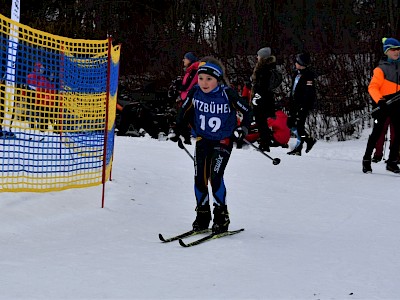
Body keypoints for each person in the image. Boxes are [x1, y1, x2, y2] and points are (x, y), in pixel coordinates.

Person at [170, 57, 252, 234]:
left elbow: (247, 111)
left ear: (218, 80)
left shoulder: (227, 93)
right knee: (199, 178)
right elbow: (183, 112)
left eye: (209, 79)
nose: (204, 83)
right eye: (201, 78)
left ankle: (221, 217)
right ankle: (202, 216)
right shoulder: (195, 92)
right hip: (203, 139)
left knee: (215, 177)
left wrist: (243, 129)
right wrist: (177, 130)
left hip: (223, 141)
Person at [362, 37, 400, 173]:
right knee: (377, 133)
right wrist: (380, 101)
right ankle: (366, 160)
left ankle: (392, 161)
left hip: (396, 104)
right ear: (386, 51)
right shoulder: (380, 69)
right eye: (393, 50)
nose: (396, 52)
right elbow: (372, 88)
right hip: (382, 104)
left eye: (398, 50)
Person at [287, 52, 317, 156]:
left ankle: (299, 148)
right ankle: (308, 140)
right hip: (294, 103)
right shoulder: (296, 74)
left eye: (297, 62)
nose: (295, 63)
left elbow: (309, 93)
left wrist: (304, 106)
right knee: (290, 123)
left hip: (303, 105)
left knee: (299, 126)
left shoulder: (308, 76)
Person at [250, 47, 279, 152]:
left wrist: (256, 97)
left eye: (258, 55)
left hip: (261, 100)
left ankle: (264, 144)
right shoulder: (268, 67)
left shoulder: (264, 69)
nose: (257, 57)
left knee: (261, 122)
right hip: (264, 99)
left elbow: (262, 86)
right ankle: (264, 142)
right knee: (262, 122)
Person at [168, 52, 200, 144]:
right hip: (186, 98)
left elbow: (188, 85)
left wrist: (179, 86)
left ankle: (178, 135)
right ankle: (186, 139)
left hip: (190, 99)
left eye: (185, 58)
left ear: (189, 59)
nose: (183, 60)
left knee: (182, 116)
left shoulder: (194, 70)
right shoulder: (189, 70)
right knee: (187, 119)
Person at [26, 62, 58, 132]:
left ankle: (50, 127)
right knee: (35, 111)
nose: (42, 69)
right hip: (35, 97)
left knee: (43, 113)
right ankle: (34, 125)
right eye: (41, 68)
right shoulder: (36, 77)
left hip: (43, 100)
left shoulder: (44, 79)